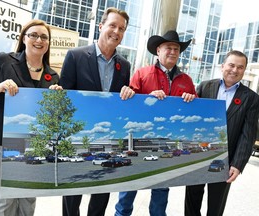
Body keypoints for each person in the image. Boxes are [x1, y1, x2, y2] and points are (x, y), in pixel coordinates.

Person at [0, 19, 62, 215]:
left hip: (35, 143)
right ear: (24, 38)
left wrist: (58, 99)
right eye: (34, 35)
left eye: (44, 37)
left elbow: (54, 115)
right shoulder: (3, 61)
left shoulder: (52, 76)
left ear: (48, 43)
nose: (39, 40)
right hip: (1, 141)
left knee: (28, 197)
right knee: (5, 200)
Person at [59, 7, 135, 216]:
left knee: (101, 195)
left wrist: (128, 92)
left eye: (121, 28)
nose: (116, 32)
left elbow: (120, 102)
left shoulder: (125, 66)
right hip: (78, 138)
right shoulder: (75, 56)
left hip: (108, 140)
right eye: (112, 25)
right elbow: (63, 98)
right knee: (72, 196)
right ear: (101, 26)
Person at [115, 30, 197, 216]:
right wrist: (146, 98)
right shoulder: (142, 74)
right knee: (127, 191)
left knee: (160, 197)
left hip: (166, 145)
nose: (173, 52)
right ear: (158, 50)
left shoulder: (187, 81)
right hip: (140, 141)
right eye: (168, 47)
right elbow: (130, 103)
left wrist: (192, 99)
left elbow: (194, 109)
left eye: (176, 48)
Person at [184, 50, 259, 216]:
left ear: (244, 70)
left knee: (216, 206)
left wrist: (238, 164)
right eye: (231, 65)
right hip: (198, 156)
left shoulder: (251, 98)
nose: (234, 70)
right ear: (222, 66)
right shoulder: (205, 86)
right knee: (192, 201)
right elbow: (191, 120)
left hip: (226, 161)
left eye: (240, 67)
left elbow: (248, 135)